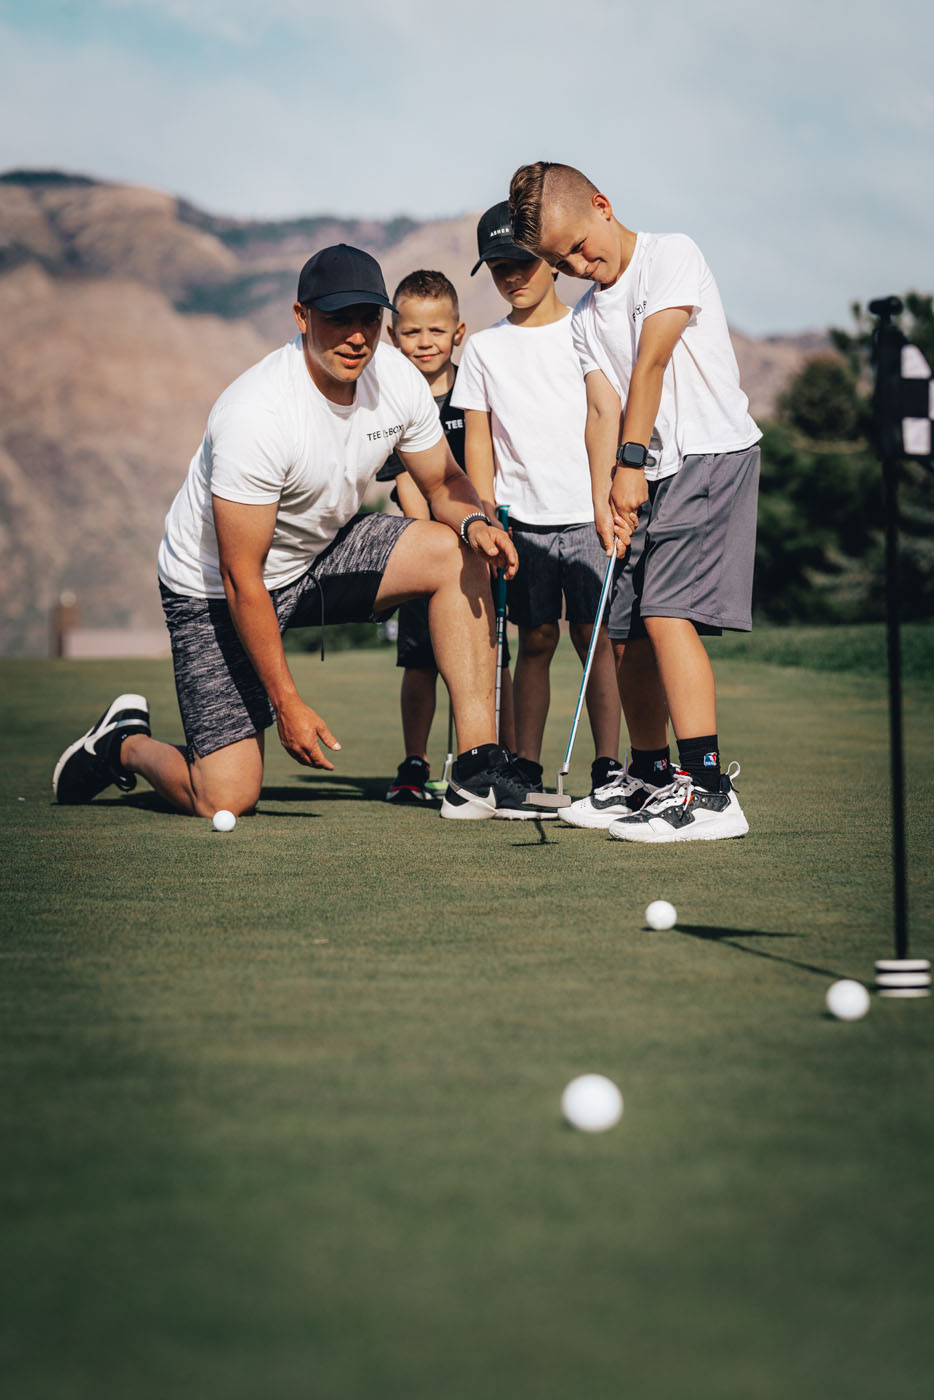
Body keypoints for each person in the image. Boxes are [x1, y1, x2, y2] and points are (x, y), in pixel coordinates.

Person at [52, 244, 544, 822]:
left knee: (454, 550)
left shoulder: (396, 380)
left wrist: (475, 520)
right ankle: (122, 744)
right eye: (338, 318)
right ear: (301, 316)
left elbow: (443, 481)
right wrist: (287, 702)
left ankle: (476, 767)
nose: (357, 336)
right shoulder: (256, 414)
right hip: (215, 593)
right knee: (227, 795)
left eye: (368, 318)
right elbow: (242, 579)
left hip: (318, 554)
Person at [508, 163, 761, 841]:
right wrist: (602, 501)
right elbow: (600, 408)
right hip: (642, 473)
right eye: (562, 262)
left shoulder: (670, 256)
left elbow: (649, 363)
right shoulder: (586, 316)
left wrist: (629, 466)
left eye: (582, 246)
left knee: (665, 611)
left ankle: (709, 791)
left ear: (602, 205)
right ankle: (647, 779)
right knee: (624, 630)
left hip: (707, 456)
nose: (580, 264)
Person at [451, 201, 622, 801]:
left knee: (591, 636)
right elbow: (478, 438)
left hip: (589, 515)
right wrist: (485, 511)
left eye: (521, 262)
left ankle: (609, 763)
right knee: (536, 639)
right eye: (498, 267)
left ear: (550, 261)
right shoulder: (484, 350)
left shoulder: (587, 328)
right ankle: (525, 762)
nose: (511, 277)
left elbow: (608, 413)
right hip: (521, 522)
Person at [377, 269, 515, 803]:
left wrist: (481, 528)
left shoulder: (473, 389)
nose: (424, 343)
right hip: (425, 548)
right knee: (420, 661)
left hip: (483, 540)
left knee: (490, 653)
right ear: (394, 336)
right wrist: (446, 538)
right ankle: (416, 763)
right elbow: (410, 485)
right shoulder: (389, 397)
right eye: (412, 333)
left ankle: (491, 755)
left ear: (458, 333)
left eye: (436, 332)